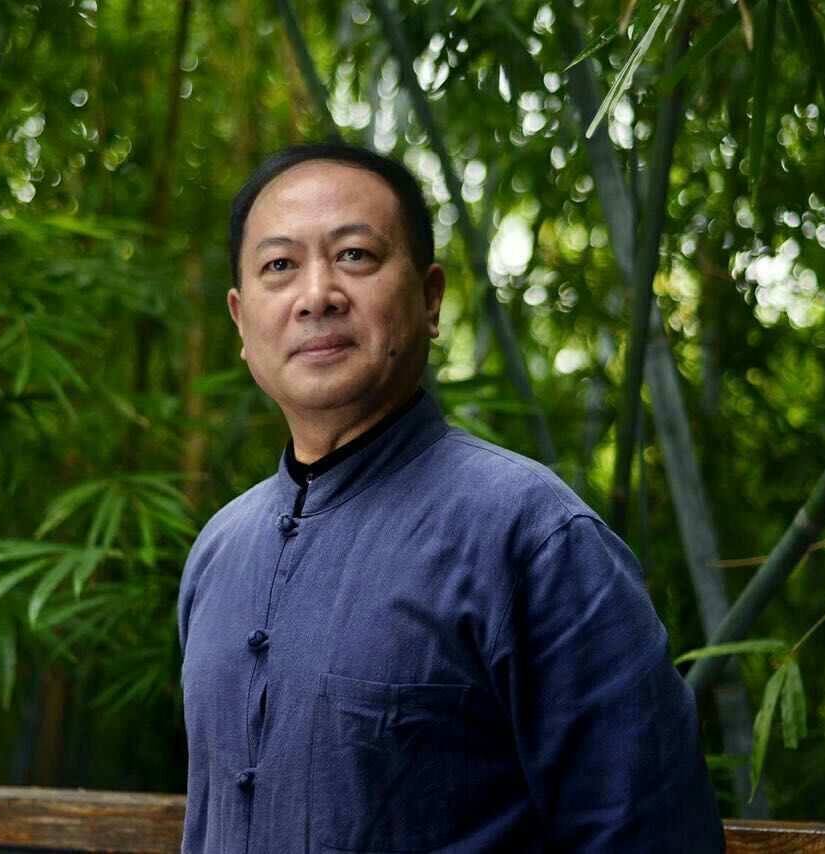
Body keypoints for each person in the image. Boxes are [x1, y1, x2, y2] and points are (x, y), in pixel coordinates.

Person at [177, 142, 724, 853]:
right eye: (279, 266)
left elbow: (648, 836)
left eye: (355, 256)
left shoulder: (533, 537)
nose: (317, 295)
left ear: (430, 299)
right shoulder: (218, 551)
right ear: (240, 319)